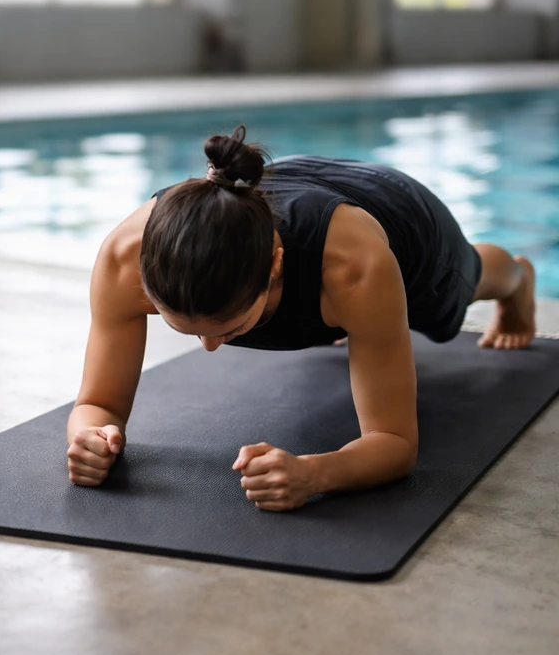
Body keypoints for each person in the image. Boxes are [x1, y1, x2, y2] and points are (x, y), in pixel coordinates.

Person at [66, 125, 536, 511]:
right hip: (269, 191)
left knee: (456, 294)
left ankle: (517, 278)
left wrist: (314, 474)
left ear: (274, 268)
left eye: (228, 329)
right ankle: (347, 321)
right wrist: (91, 436)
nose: (211, 347)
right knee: (352, 315)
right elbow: (96, 403)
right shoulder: (125, 260)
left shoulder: (355, 268)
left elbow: (394, 442)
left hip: (398, 213)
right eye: (183, 328)